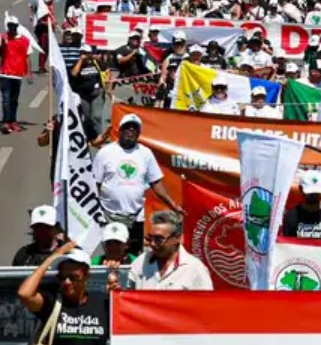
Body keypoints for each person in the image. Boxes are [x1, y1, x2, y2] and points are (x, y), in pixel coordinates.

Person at [92, 113, 184, 254]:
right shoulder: (105, 152)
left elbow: (156, 182)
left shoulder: (146, 154)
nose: (131, 130)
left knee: (133, 256)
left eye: (134, 129)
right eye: (127, 127)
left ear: (139, 133)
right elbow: (95, 185)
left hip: (135, 218)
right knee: (112, 257)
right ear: (120, 130)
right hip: (109, 216)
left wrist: (172, 204)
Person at [121, 211, 214, 290]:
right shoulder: (141, 262)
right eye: (150, 238)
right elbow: (125, 291)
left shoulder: (194, 269)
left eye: (158, 239)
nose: (152, 244)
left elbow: (205, 305)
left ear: (177, 238)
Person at [280, 170, 321, 240]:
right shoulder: (291, 217)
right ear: (301, 189)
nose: (314, 196)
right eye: (310, 193)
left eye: (317, 193)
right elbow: (287, 246)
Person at [0, 15, 33, 134]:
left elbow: (28, 58)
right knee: (6, 99)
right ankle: (6, 122)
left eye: (13, 26)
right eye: (9, 26)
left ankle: (13, 121)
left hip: (17, 75)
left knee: (14, 100)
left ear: (17, 26)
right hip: (5, 74)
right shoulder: (2, 37)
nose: (11, 28)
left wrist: (29, 73)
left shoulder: (25, 41)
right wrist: (2, 45)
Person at [70, 44, 105, 136]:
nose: (85, 55)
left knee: (97, 116)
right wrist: (81, 61)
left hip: (96, 92)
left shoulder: (96, 63)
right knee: (87, 116)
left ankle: (98, 135)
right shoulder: (77, 64)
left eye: (87, 53)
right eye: (83, 53)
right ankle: (88, 135)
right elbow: (74, 74)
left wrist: (107, 87)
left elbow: (107, 71)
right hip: (83, 95)